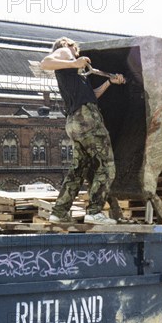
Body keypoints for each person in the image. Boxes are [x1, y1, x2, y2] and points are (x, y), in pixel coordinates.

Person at [40, 37, 126, 225]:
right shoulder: (65, 53)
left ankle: (59, 212)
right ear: (67, 45)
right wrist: (74, 61)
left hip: (75, 122)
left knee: (78, 169)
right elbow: (44, 63)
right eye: (75, 48)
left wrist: (109, 82)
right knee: (107, 165)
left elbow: (92, 96)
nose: (77, 52)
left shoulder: (75, 75)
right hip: (87, 118)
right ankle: (95, 211)